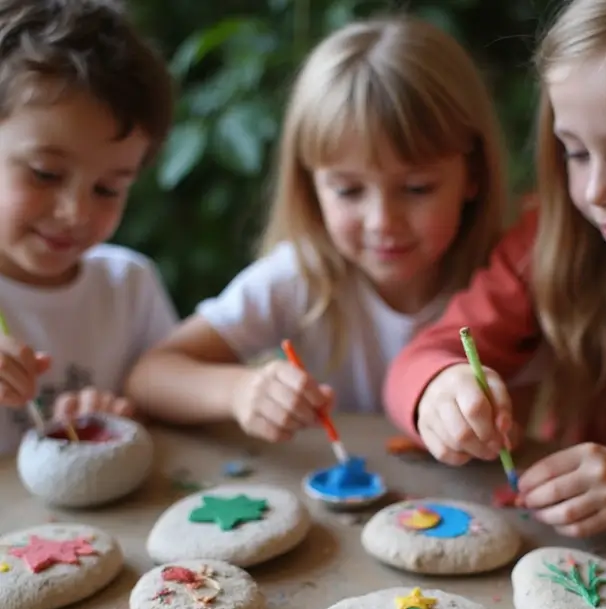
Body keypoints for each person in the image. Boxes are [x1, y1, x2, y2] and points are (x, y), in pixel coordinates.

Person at [384, 0, 606, 545]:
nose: (596, 191)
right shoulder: (552, 244)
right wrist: (439, 391)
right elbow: (421, 358)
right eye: (574, 152)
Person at [126, 15, 509, 443]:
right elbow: (150, 377)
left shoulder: (509, 284)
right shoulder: (299, 278)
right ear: (310, 185)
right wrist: (240, 391)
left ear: (473, 174)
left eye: (417, 188)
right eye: (348, 190)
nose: (382, 221)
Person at [0, 0, 176, 456]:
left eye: (107, 189)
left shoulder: (129, 287)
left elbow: (164, 408)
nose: (75, 212)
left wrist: (124, 418)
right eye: (45, 174)